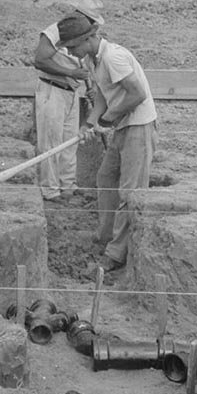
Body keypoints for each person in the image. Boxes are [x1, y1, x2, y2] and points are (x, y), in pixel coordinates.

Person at [60, 18, 157, 272]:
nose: (70, 53)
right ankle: (106, 237)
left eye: (72, 47)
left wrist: (109, 119)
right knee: (106, 177)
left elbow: (137, 94)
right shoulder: (93, 60)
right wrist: (90, 124)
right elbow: (103, 96)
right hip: (124, 126)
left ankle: (116, 255)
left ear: (88, 39)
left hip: (139, 126)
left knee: (130, 192)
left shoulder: (114, 57)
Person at [31, 0, 102, 202]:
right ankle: (51, 190)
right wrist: (70, 72)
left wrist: (92, 88)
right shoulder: (55, 32)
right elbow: (40, 60)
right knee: (51, 142)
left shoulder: (85, 36)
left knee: (70, 141)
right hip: (52, 91)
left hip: (72, 93)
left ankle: (68, 185)